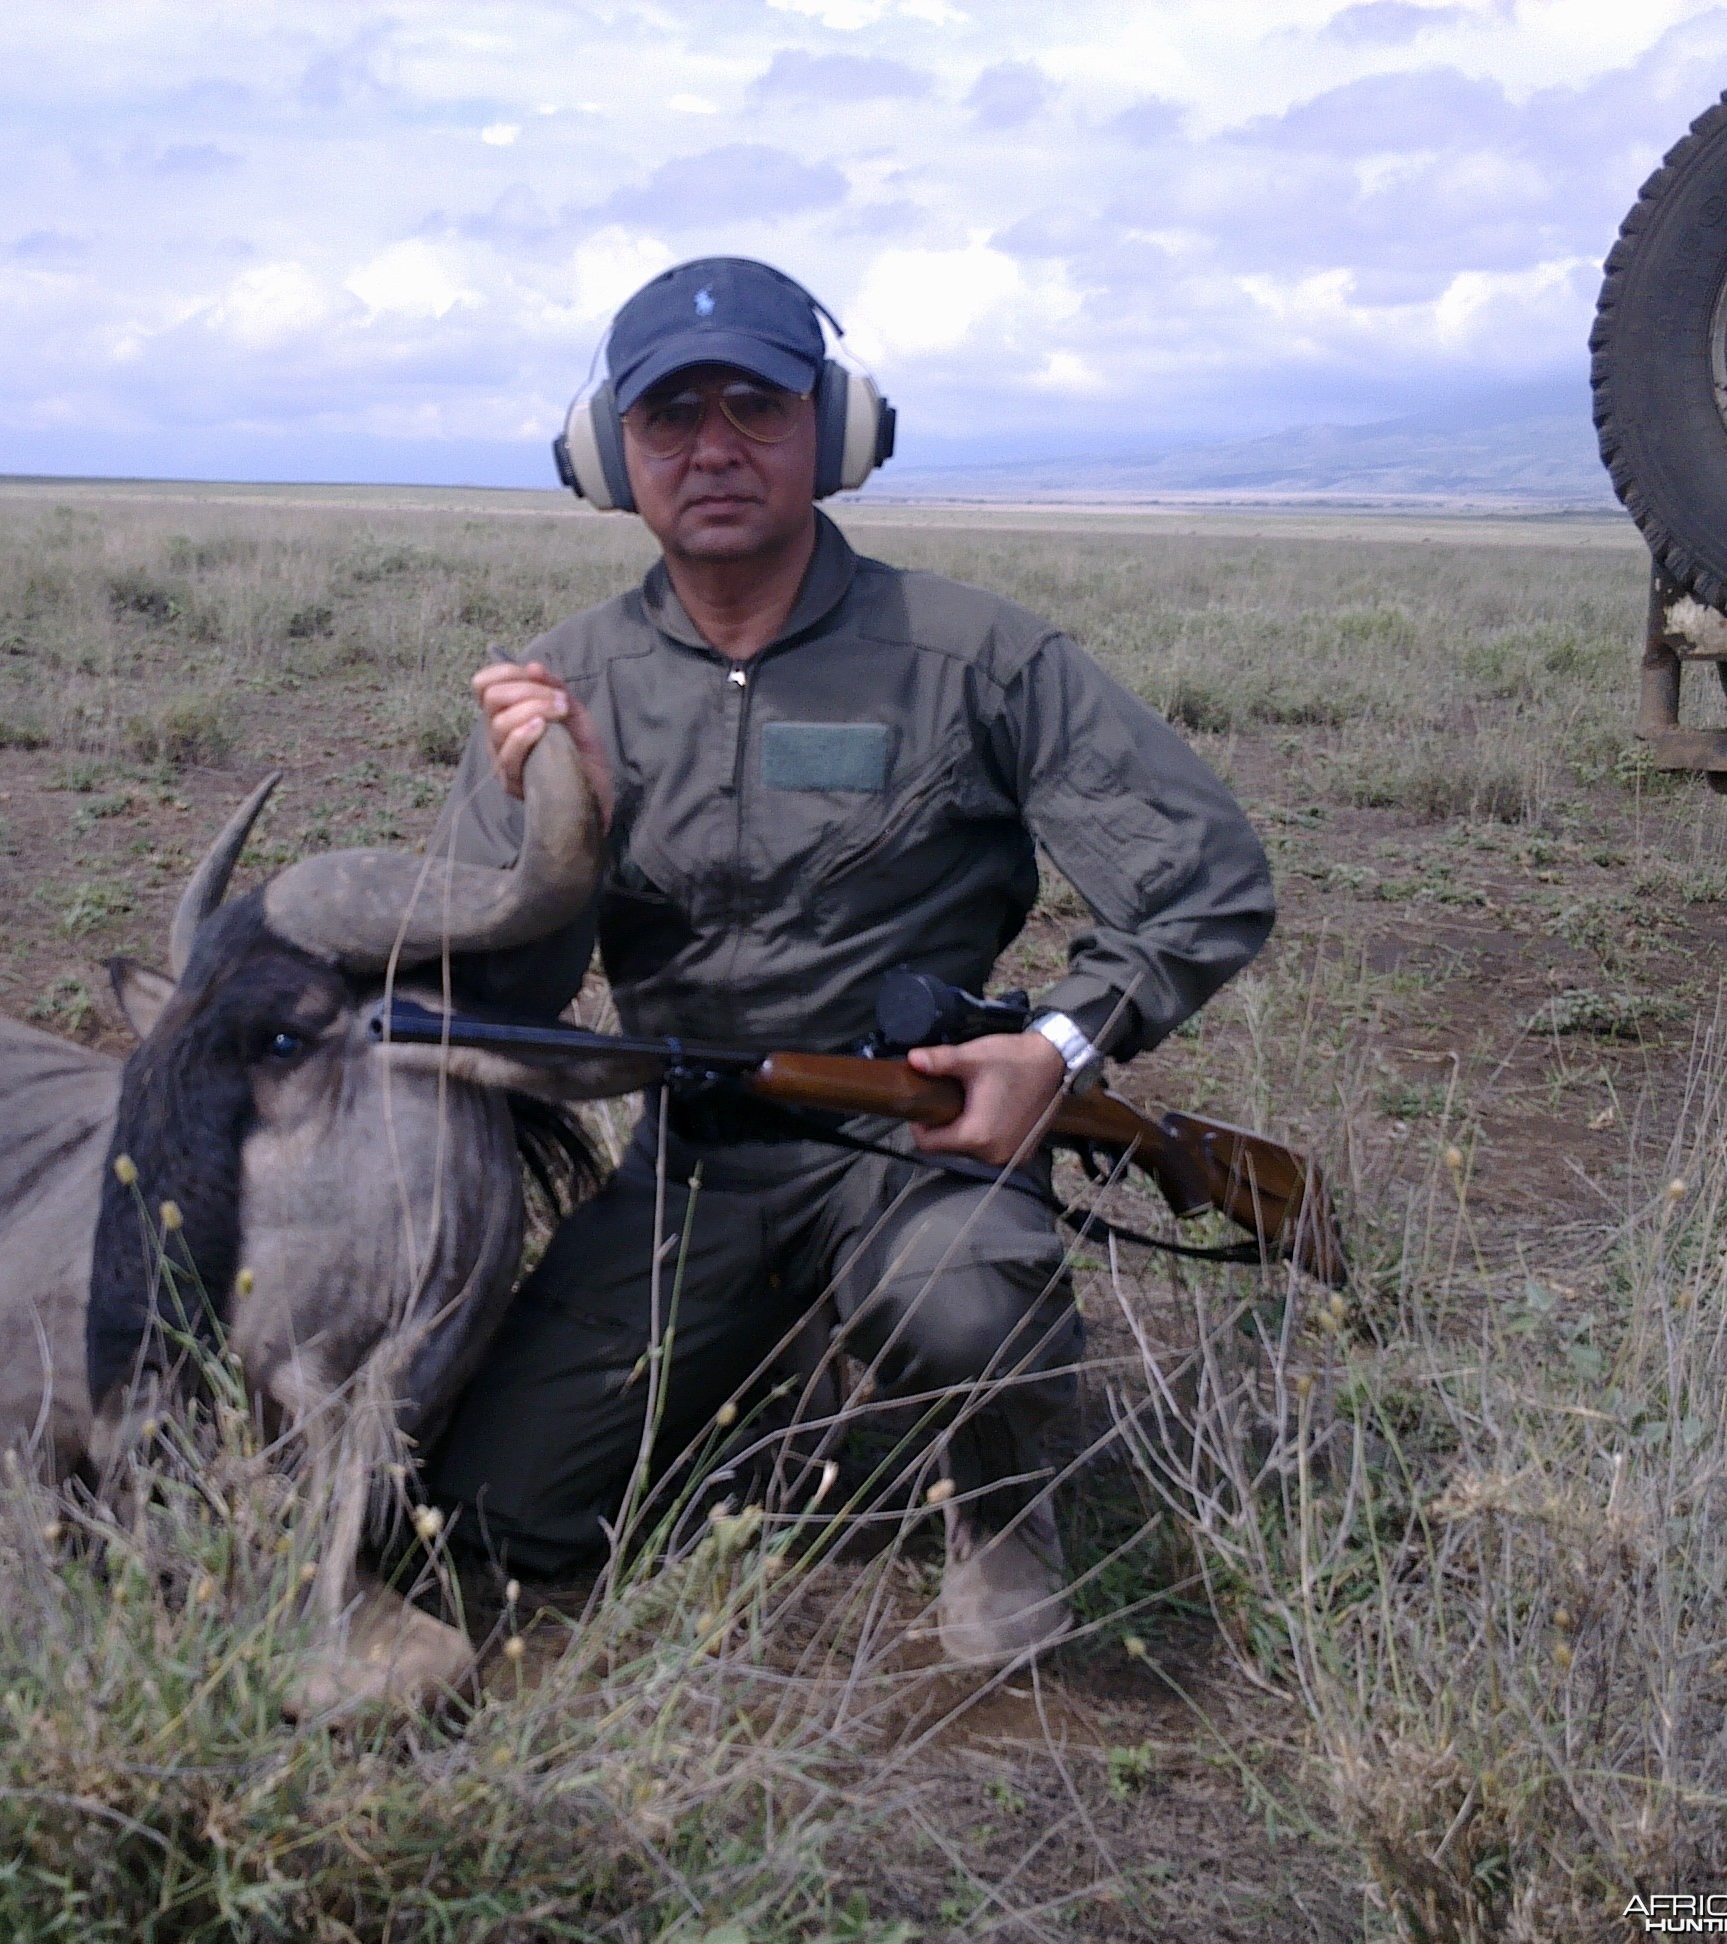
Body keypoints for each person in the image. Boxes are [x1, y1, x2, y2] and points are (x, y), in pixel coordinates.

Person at [420, 257, 1275, 1667]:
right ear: (605, 456)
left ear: (838, 428)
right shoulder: (560, 690)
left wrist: (1055, 1049)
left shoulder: (977, 656)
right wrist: (551, 829)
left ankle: (1005, 1501)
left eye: (757, 404)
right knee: (494, 1520)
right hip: (694, 1165)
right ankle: (763, 1361)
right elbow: (490, 1011)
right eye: (670, 417)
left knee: (958, 1308)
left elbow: (1206, 877)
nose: (713, 447)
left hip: (920, 1145)